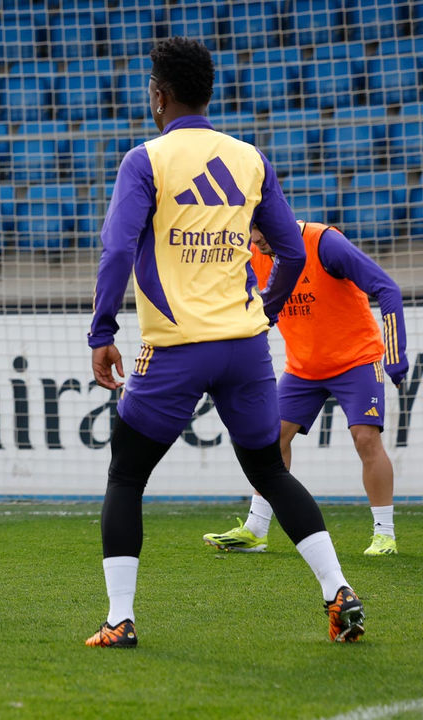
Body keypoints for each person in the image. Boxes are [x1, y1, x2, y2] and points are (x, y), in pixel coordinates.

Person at [86, 38, 363, 647]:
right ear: (208, 92)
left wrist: (102, 330)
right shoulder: (248, 158)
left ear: (158, 95)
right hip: (244, 346)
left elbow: (114, 250)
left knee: (127, 477)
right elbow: (291, 250)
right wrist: (266, 309)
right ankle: (337, 589)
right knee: (268, 469)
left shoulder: (145, 160)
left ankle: (119, 620)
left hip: (176, 348)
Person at [204, 220, 407, 556]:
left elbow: (387, 288)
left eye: (261, 230)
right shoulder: (253, 253)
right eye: (251, 231)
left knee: (365, 437)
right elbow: (248, 310)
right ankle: (256, 530)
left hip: (356, 360)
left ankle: (384, 534)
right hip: (303, 368)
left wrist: (396, 352)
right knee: (270, 439)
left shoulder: (325, 243)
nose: (255, 238)